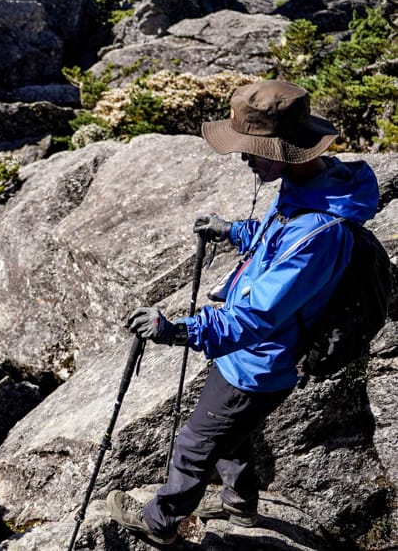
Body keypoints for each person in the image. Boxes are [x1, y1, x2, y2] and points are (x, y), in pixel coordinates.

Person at [106, 79, 380, 544]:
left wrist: (174, 330)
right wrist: (236, 231)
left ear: (283, 149)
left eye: (251, 149)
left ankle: (161, 523)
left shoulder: (319, 231)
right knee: (233, 432)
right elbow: (278, 249)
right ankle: (241, 504)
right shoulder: (310, 185)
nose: (242, 158)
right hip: (254, 353)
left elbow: (257, 316)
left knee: (195, 445)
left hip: (258, 358)